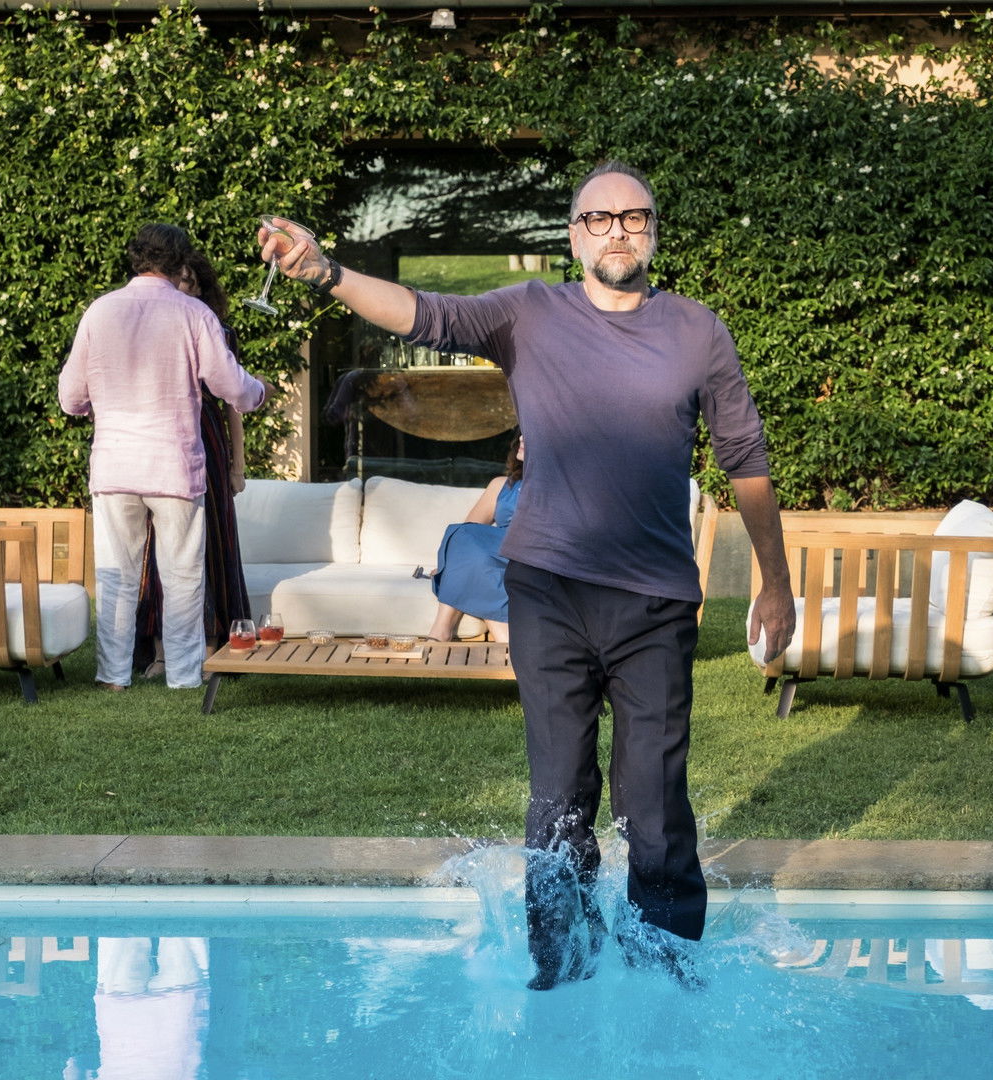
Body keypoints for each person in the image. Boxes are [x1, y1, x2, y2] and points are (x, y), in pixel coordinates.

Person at [257, 161, 795, 990]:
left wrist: (775, 582)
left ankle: (664, 979)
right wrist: (327, 273)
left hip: (655, 602)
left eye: (634, 216)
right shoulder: (529, 313)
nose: (618, 230)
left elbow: (746, 460)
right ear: (574, 237)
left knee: (654, 804)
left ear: (654, 231)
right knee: (558, 798)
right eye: (599, 218)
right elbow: (426, 313)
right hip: (548, 593)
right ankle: (562, 970)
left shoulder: (698, 332)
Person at [59, 224, 268, 691]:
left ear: (135, 260)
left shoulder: (99, 311)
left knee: (116, 575)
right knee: (182, 575)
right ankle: (184, 676)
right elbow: (230, 387)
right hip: (174, 464)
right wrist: (259, 392)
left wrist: (101, 404)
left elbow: (71, 397)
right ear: (178, 262)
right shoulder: (194, 313)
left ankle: (113, 676)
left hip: (114, 465)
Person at [131, 250, 255, 679]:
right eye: (175, 281)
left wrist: (238, 464)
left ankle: (213, 646)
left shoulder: (218, 331)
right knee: (157, 543)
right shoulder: (150, 329)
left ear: (201, 289)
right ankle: (162, 650)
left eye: (188, 282)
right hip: (161, 440)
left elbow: (234, 403)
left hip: (207, 439)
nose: (180, 289)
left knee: (212, 542)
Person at [428, 434, 525, 643]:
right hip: (497, 558)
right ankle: (443, 630)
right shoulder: (501, 485)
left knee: (471, 558)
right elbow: (469, 533)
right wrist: (452, 562)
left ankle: (439, 635)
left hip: (527, 557)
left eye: (529, 433)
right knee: (463, 535)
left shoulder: (560, 489)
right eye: (521, 433)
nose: (521, 438)